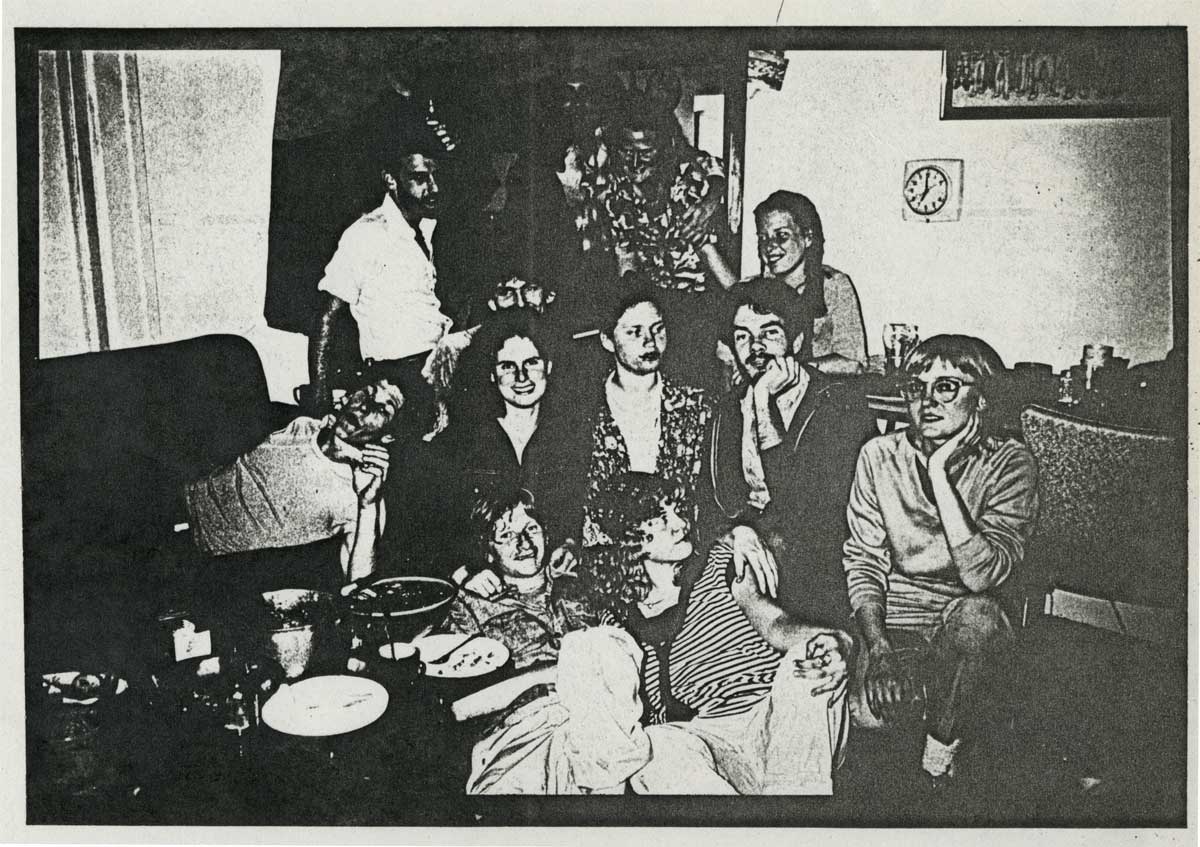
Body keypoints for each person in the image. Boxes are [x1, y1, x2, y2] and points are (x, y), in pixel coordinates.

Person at [464, 472, 850, 795]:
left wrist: (833, 640)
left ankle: (793, 821)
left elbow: (775, 623)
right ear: (631, 536)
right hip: (710, 742)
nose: (679, 524)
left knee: (803, 669)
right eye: (661, 518)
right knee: (657, 750)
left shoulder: (721, 562)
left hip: (776, 717)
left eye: (678, 512)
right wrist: (464, 574)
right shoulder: (617, 618)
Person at [842, 335, 1038, 784]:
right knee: (867, 715)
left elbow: (981, 577)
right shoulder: (879, 455)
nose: (927, 401)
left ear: (982, 400)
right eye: (917, 387)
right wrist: (879, 650)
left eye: (947, 387)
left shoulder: (1011, 464)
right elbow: (865, 562)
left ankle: (939, 760)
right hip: (898, 611)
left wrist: (939, 475)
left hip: (969, 615)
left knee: (977, 620)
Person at [710, 280, 876, 628]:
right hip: (752, 541)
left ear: (798, 341)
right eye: (742, 337)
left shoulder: (838, 404)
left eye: (769, 333)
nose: (755, 347)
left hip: (823, 560)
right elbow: (715, 496)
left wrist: (763, 405)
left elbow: (802, 510)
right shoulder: (729, 407)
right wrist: (738, 531)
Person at [581, 79, 736, 386]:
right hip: (653, 301)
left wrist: (740, 307)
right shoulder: (615, 191)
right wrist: (626, 308)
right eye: (626, 151)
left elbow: (717, 169)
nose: (634, 163)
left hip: (700, 304)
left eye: (646, 152)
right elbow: (626, 258)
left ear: (664, 149)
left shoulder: (688, 182)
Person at [184, 377, 402, 583]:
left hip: (199, 560)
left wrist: (368, 506)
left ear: (388, 436)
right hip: (178, 501)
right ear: (348, 397)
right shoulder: (302, 425)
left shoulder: (365, 494)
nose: (366, 406)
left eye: (383, 409)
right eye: (368, 393)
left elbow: (359, 587)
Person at [309, 133, 453, 431]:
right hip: (397, 381)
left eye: (436, 176)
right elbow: (326, 317)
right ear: (391, 180)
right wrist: (320, 401)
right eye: (420, 178)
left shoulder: (426, 228)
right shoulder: (366, 234)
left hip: (436, 371)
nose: (434, 188)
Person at [438, 315, 586, 587]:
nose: (521, 377)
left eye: (532, 363)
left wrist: (569, 543)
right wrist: (462, 572)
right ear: (491, 374)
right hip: (479, 586)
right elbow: (429, 524)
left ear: (549, 366)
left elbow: (574, 508)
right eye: (507, 366)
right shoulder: (458, 442)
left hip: (550, 583)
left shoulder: (572, 438)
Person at [580, 285, 712, 549]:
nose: (650, 341)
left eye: (657, 329)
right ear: (607, 340)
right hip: (605, 556)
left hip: (680, 552)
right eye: (634, 332)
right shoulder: (581, 412)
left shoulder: (698, 406)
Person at [742, 190, 867, 376]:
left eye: (781, 235)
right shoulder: (752, 288)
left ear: (807, 237)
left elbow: (853, 363)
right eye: (763, 238)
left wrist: (789, 370)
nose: (770, 246)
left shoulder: (834, 285)